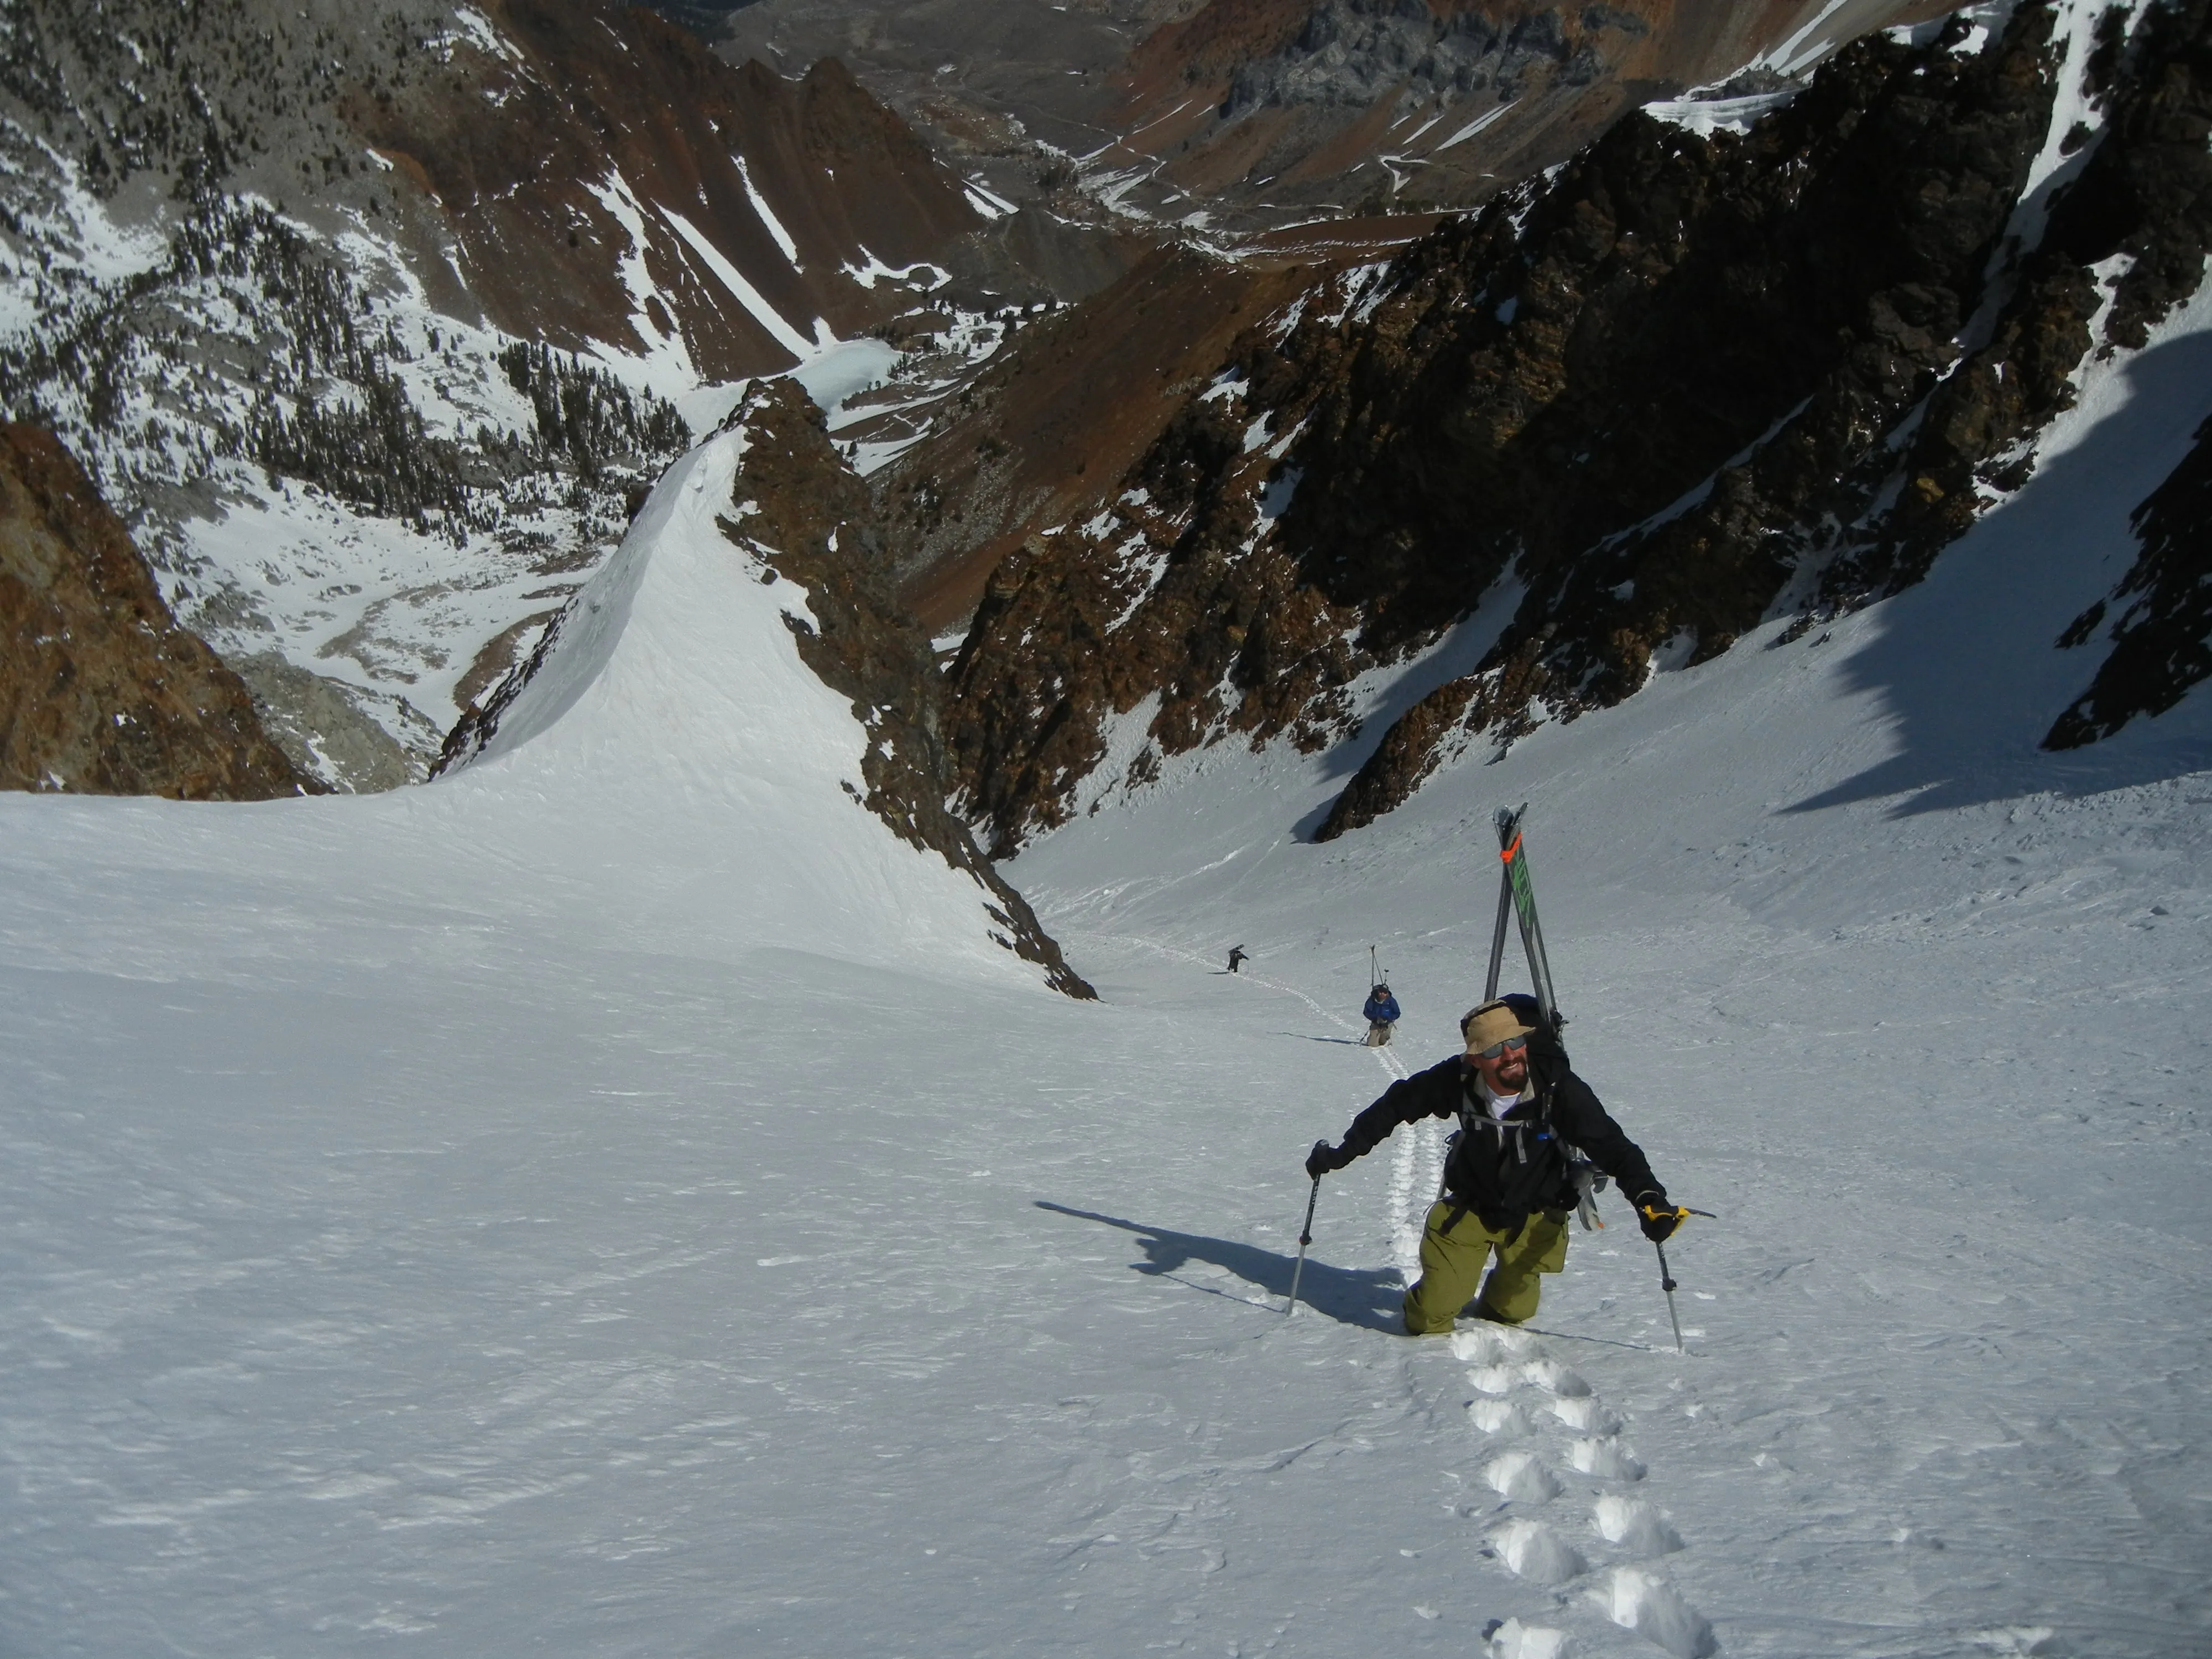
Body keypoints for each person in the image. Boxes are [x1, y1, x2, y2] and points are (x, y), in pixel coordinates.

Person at [1304, 995, 1686, 1335]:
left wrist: (1648, 1198)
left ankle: (1496, 1294)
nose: (1509, 1056)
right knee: (1428, 1320)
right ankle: (1444, 1287)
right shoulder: (1458, 1080)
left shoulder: (1557, 1088)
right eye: (1493, 1051)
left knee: (1512, 1311)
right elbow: (1394, 1106)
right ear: (1475, 1057)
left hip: (1538, 1211)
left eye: (1516, 1042)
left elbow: (1613, 1146)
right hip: (1474, 1205)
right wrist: (1340, 1154)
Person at [1361, 982, 1401, 1046]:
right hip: (1376, 1022)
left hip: (1387, 1023)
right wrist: (1375, 1018)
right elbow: (1366, 1012)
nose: (1383, 994)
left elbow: (1397, 1013)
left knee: (1383, 1042)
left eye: (1385, 992)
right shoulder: (1372, 1000)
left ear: (1387, 993)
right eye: (1381, 992)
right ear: (1378, 992)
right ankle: (1372, 1039)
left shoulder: (1391, 1001)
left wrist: (1389, 1019)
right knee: (1373, 1045)